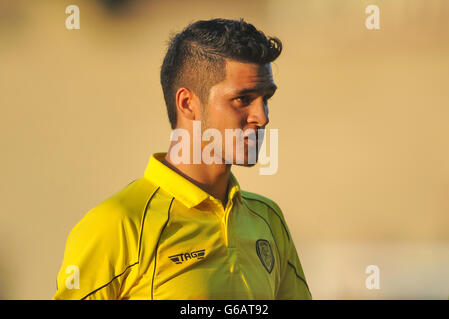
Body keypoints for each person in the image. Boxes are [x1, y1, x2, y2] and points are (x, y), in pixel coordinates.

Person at [53, 18, 311, 300]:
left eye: (266, 99)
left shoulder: (268, 220)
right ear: (188, 104)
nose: (262, 117)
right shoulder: (117, 224)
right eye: (243, 98)